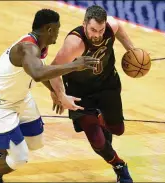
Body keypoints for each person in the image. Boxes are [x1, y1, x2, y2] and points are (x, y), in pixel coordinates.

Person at [0, 9, 99, 183]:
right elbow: (38, 73)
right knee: (19, 157)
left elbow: (42, 68)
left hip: (19, 98)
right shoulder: (27, 48)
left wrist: (57, 92)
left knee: (35, 142)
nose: (58, 33)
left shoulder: (40, 46)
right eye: (57, 29)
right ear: (49, 29)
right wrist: (74, 65)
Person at [50, 5, 136, 183]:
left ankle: (101, 118)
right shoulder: (75, 43)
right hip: (80, 93)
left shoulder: (109, 28)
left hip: (107, 85)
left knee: (118, 130)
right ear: (84, 25)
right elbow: (53, 69)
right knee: (97, 141)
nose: (97, 35)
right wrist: (58, 93)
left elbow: (117, 25)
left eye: (100, 30)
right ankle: (120, 166)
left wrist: (131, 49)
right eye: (93, 30)